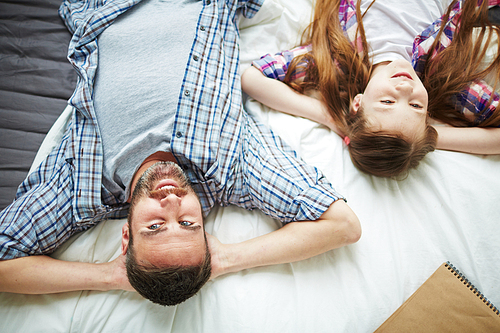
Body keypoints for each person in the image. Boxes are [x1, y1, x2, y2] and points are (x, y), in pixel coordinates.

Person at [0, 0, 361, 306]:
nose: (171, 203)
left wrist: (110, 276)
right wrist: (226, 259)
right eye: (187, 224)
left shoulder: (79, 188)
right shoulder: (232, 165)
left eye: (155, 226)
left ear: (126, 237)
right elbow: (342, 225)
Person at [242, 0, 500, 178]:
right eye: (416, 106)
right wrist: (423, 138)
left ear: (358, 102)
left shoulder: (338, 60)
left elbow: (253, 78)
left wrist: (332, 118)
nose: (405, 88)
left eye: (387, 102)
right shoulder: (443, 74)